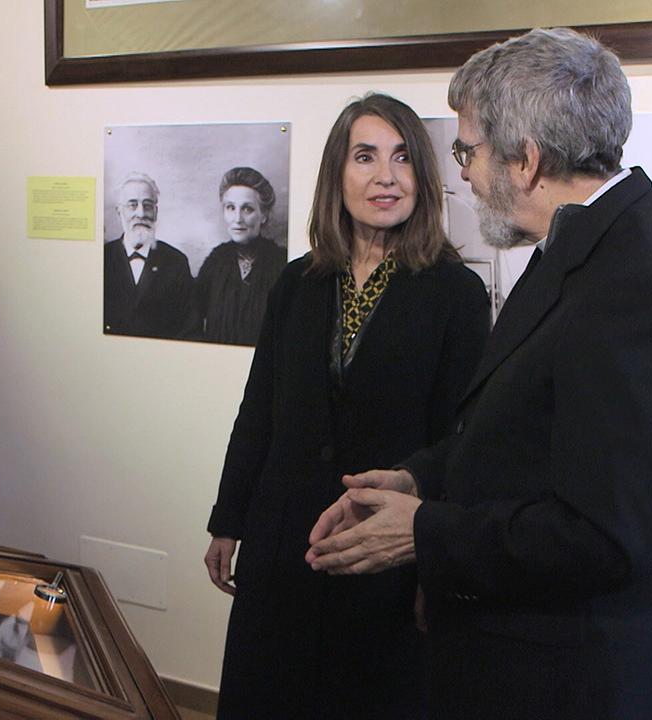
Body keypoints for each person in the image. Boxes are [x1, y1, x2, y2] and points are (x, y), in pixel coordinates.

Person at [306, 28, 652, 720]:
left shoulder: (638, 279)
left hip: (576, 682)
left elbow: (603, 536)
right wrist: (423, 477)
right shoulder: (588, 242)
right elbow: (525, 430)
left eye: (469, 152)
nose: (465, 174)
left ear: (526, 160)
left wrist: (423, 532)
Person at [205, 93, 490, 719]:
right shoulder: (297, 282)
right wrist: (228, 518)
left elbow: (462, 439)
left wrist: (433, 566)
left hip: (381, 550)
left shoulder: (456, 293)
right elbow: (259, 409)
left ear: (423, 177)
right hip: (284, 543)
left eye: (402, 159)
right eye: (365, 157)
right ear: (338, 172)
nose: (385, 177)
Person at [196, 167, 288, 346]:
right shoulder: (215, 262)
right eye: (230, 208)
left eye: (247, 209)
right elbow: (191, 321)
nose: (237, 218)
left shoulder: (281, 263)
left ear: (264, 215)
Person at [102, 172, 196, 340]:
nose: (141, 213)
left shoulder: (176, 262)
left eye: (147, 205)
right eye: (132, 205)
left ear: (156, 212)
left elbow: (189, 329)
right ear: (119, 212)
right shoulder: (103, 258)